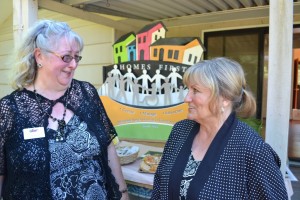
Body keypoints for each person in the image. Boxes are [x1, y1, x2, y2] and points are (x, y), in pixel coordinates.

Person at [0, 19, 129, 200]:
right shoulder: (10, 109)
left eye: (77, 57)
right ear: (39, 56)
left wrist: (122, 193)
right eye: (66, 57)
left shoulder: (86, 93)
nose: (73, 65)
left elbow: (107, 146)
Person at [151, 57, 288, 199]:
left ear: (225, 98)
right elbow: (159, 187)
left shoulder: (253, 150)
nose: (187, 98)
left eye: (196, 90)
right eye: (188, 89)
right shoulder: (180, 131)